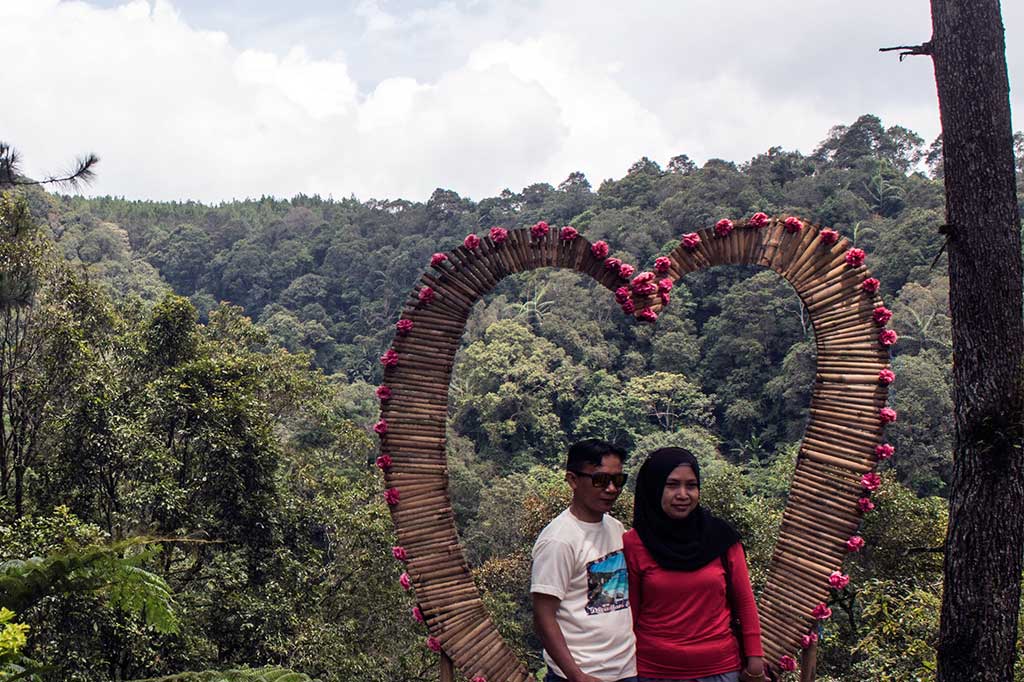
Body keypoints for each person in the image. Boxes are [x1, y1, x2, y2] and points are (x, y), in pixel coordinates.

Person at [623, 447, 765, 682]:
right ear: (654, 487)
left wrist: (755, 658)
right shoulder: (634, 543)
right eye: (672, 485)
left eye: (691, 485)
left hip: (719, 669)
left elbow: (745, 602)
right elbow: (630, 614)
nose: (682, 494)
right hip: (653, 671)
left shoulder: (721, 538)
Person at [531, 439, 638, 682]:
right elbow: (542, 616)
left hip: (626, 671)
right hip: (581, 674)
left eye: (618, 480)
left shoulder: (615, 527)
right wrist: (576, 676)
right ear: (573, 480)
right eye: (600, 480)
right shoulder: (559, 540)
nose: (611, 489)